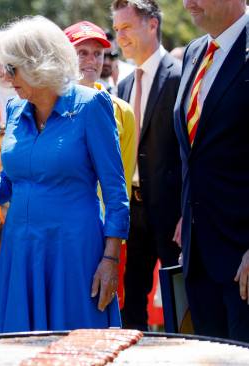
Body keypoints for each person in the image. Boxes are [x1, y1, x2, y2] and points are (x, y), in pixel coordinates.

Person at [0, 15, 129, 334]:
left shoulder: (91, 105)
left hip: (74, 252)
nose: (4, 76)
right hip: (21, 249)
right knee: (19, 346)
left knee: (75, 348)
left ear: (39, 63)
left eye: (12, 68)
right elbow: (12, 182)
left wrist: (110, 260)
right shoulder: (16, 109)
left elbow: (116, 194)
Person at [175, 0, 249, 342]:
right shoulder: (194, 52)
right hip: (199, 255)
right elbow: (195, 154)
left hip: (241, 259)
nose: (189, 3)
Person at [112, 0, 182, 331]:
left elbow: (188, 152)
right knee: (131, 304)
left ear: (151, 25)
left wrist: (187, 213)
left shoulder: (180, 76)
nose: (120, 37)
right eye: (116, 30)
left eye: (126, 28)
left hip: (172, 215)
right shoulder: (123, 86)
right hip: (132, 212)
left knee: (177, 303)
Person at [65, 20, 136, 199]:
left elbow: (123, 181)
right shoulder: (46, 107)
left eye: (98, 53)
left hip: (104, 224)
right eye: (82, 53)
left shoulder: (122, 110)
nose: (92, 60)